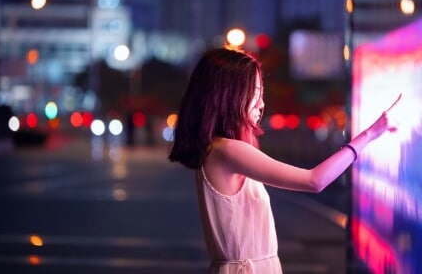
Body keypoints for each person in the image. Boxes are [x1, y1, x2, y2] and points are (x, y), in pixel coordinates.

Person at [168, 47, 400, 273]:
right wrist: (368, 135)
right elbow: (314, 180)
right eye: (255, 92)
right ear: (230, 95)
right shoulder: (228, 151)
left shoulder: (220, 149)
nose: (261, 104)